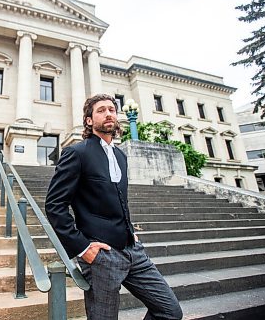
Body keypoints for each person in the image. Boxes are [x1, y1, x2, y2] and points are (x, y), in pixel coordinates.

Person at [45, 94, 183, 320]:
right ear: (89, 120)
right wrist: (82, 248)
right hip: (102, 257)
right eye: (101, 110)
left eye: (111, 109)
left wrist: (131, 232)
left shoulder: (121, 156)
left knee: (170, 311)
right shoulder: (77, 153)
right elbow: (55, 205)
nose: (108, 113)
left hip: (133, 252)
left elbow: (119, 200)